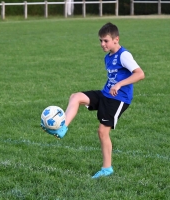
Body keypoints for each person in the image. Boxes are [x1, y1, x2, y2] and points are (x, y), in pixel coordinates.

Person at [41, 22, 145, 179]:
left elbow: (140, 74)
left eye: (106, 41)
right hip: (106, 93)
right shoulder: (108, 57)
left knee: (102, 132)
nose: (102, 44)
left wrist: (119, 84)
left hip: (119, 99)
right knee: (75, 97)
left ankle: (107, 168)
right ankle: (62, 128)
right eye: (100, 41)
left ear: (116, 39)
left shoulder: (124, 55)